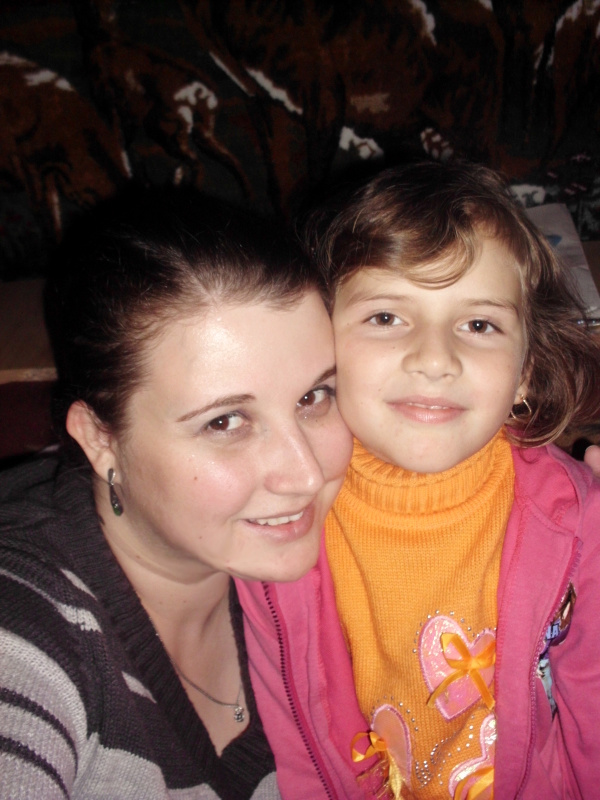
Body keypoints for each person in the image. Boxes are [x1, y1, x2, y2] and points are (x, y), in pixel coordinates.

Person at [237, 161, 600, 799]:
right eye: (386, 317)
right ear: (321, 347)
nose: (435, 358)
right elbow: (296, 746)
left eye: (479, 325)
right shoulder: (279, 518)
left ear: (524, 370)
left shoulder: (577, 524)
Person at [0, 190, 366, 799]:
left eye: (314, 397)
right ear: (100, 439)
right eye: (225, 422)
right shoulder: (25, 628)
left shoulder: (358, 539)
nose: (305, 473)